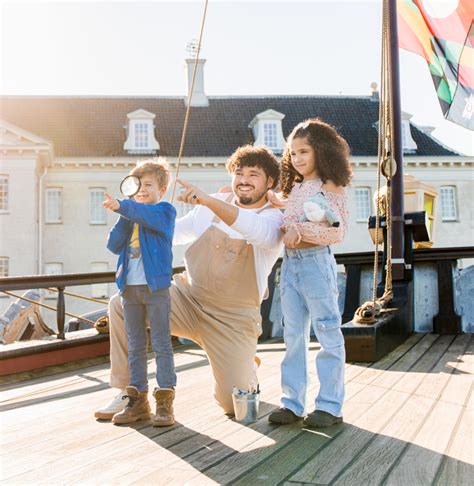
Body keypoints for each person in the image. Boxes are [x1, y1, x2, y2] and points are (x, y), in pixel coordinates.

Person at [95, 145, 283, 420]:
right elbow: (172, 233)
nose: (243, 179)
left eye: (253, 174)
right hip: (186, 299)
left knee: (233, 405)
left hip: (231, 320)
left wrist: (209, 200)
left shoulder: (273, 217)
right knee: (119, 305)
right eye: (239, 173)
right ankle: (130, 393)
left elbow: (258, 232)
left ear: (270, 182)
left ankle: (245, 368)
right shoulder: (212, 206)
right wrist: (146, 208)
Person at [268, 118, 352, 428]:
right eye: (293, 153)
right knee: (292, 336)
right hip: (290, 267)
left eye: (304, 151)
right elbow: (288, 217)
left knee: (328, 333)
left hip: (316, 264)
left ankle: (330, 406)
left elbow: (336, 231)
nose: (298, 158)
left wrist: (297, 228)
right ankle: (292, 403)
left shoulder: (332, 185)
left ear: (322, 150)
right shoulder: (296, 188)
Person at [102, 159, 177, 426]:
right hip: (129, 288)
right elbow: (113, 245)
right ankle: (138, 400)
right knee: (135, 346)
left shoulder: (164, 211)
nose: (143, 190)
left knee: (160, 344)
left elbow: (149, 216)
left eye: (148, 185)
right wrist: (124, 212)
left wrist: (125, 205)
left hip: (155, 288)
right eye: (138, 185)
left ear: (163, 189)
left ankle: (165, 401)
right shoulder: (131, 215)